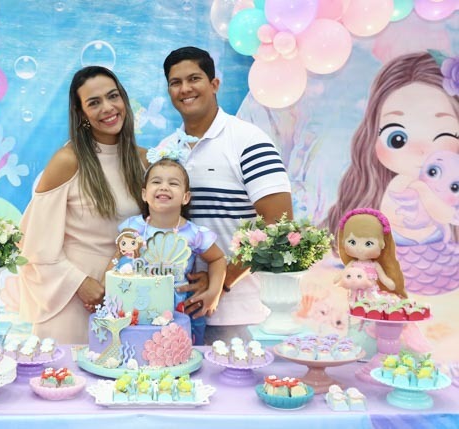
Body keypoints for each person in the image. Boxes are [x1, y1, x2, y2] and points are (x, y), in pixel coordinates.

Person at [160, 47, 293, 343]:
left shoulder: (248, 141)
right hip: (170, 313)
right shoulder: (166, 150)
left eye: (194, 78)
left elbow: (279, 225)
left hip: (234, 314)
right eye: (175, 82)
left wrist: (223, 280)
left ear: (214, 84)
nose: (185, 89)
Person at [18, 66, 147, 344]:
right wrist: (80, 283)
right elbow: (34, 244)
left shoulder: (144, 161)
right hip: (73, 302)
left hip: (125, 300)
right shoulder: (68, 161)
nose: (108, 108)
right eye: (94, 102)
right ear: (81, 114)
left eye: (113, 96)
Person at [324, 52, 459, 296]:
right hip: (403, 263)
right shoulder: (398, 187)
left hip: (442, 265)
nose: (420, 151)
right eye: (398, 138)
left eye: (444, 135)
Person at [116, 151, 227, 345]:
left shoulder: (194, 233)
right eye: (156, 182)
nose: (164, 187)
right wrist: (104, 291)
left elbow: (218, 259)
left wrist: (214, 292)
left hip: (179, 309)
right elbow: (117, 258)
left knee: (176, 354)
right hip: (138, 306)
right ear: (144, 194)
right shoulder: (133, 228)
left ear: (186, 197)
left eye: (173, 183)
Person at [337, 208, 407, 299]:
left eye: (368, 244)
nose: (359, 249)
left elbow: (383, 278)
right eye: (352, 242)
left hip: (371, 294)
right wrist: (338, 278)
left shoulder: (375, 265)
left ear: (382, 244)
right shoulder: (353, 264)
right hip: (355, 294)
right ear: (343, 242)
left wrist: (388, 283)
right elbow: (343, 273)